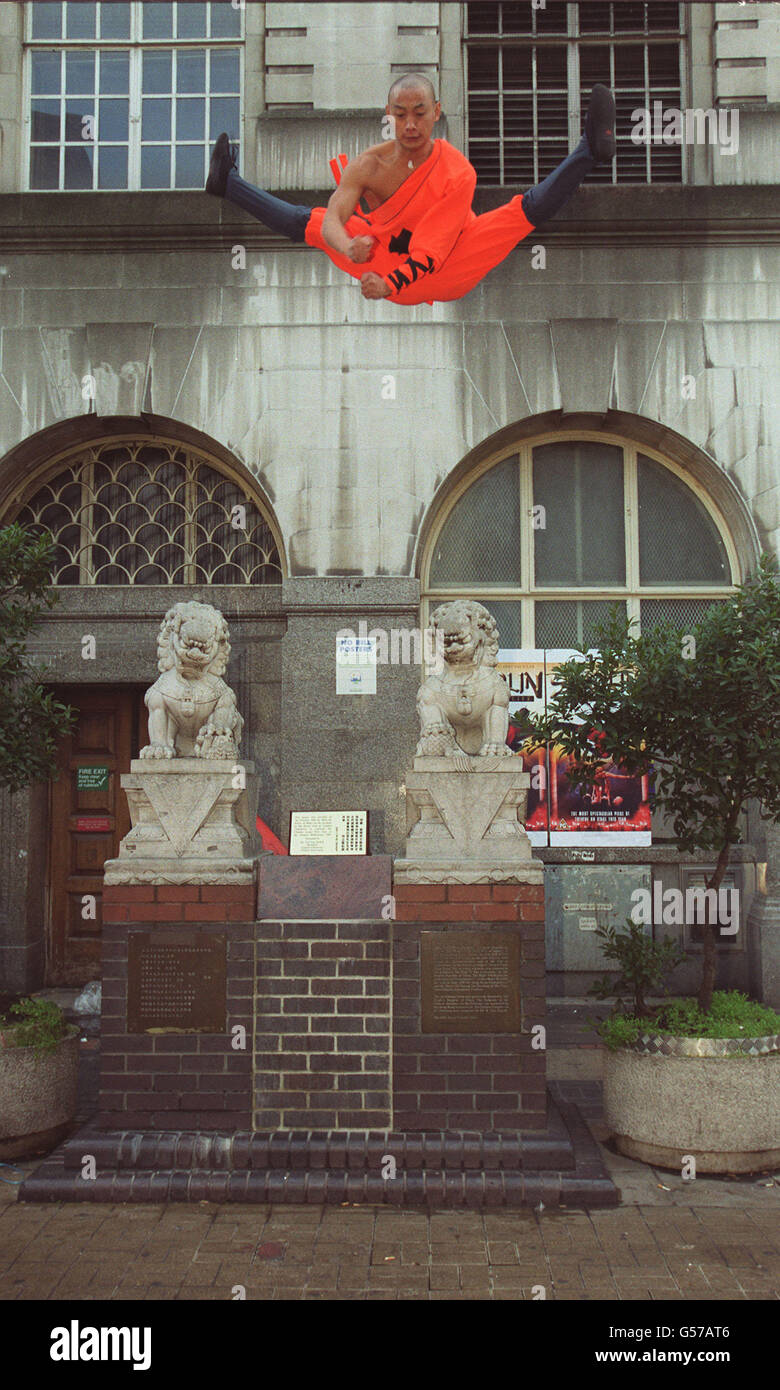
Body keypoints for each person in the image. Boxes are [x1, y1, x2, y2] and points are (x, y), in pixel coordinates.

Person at [205, 72, 616, 308]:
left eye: (420, 114)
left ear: (436, 113)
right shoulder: (369, 165)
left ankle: (588, 150)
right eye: (400, 115)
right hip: (383, 255)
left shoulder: (458, 171)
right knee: (308, 222)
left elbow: (432, 253)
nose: (410, 125)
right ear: (389, 115)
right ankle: (228, 183)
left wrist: (390, 286)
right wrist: (347, 246)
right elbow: (332, 219)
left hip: (447, 263)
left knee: (517, 215)